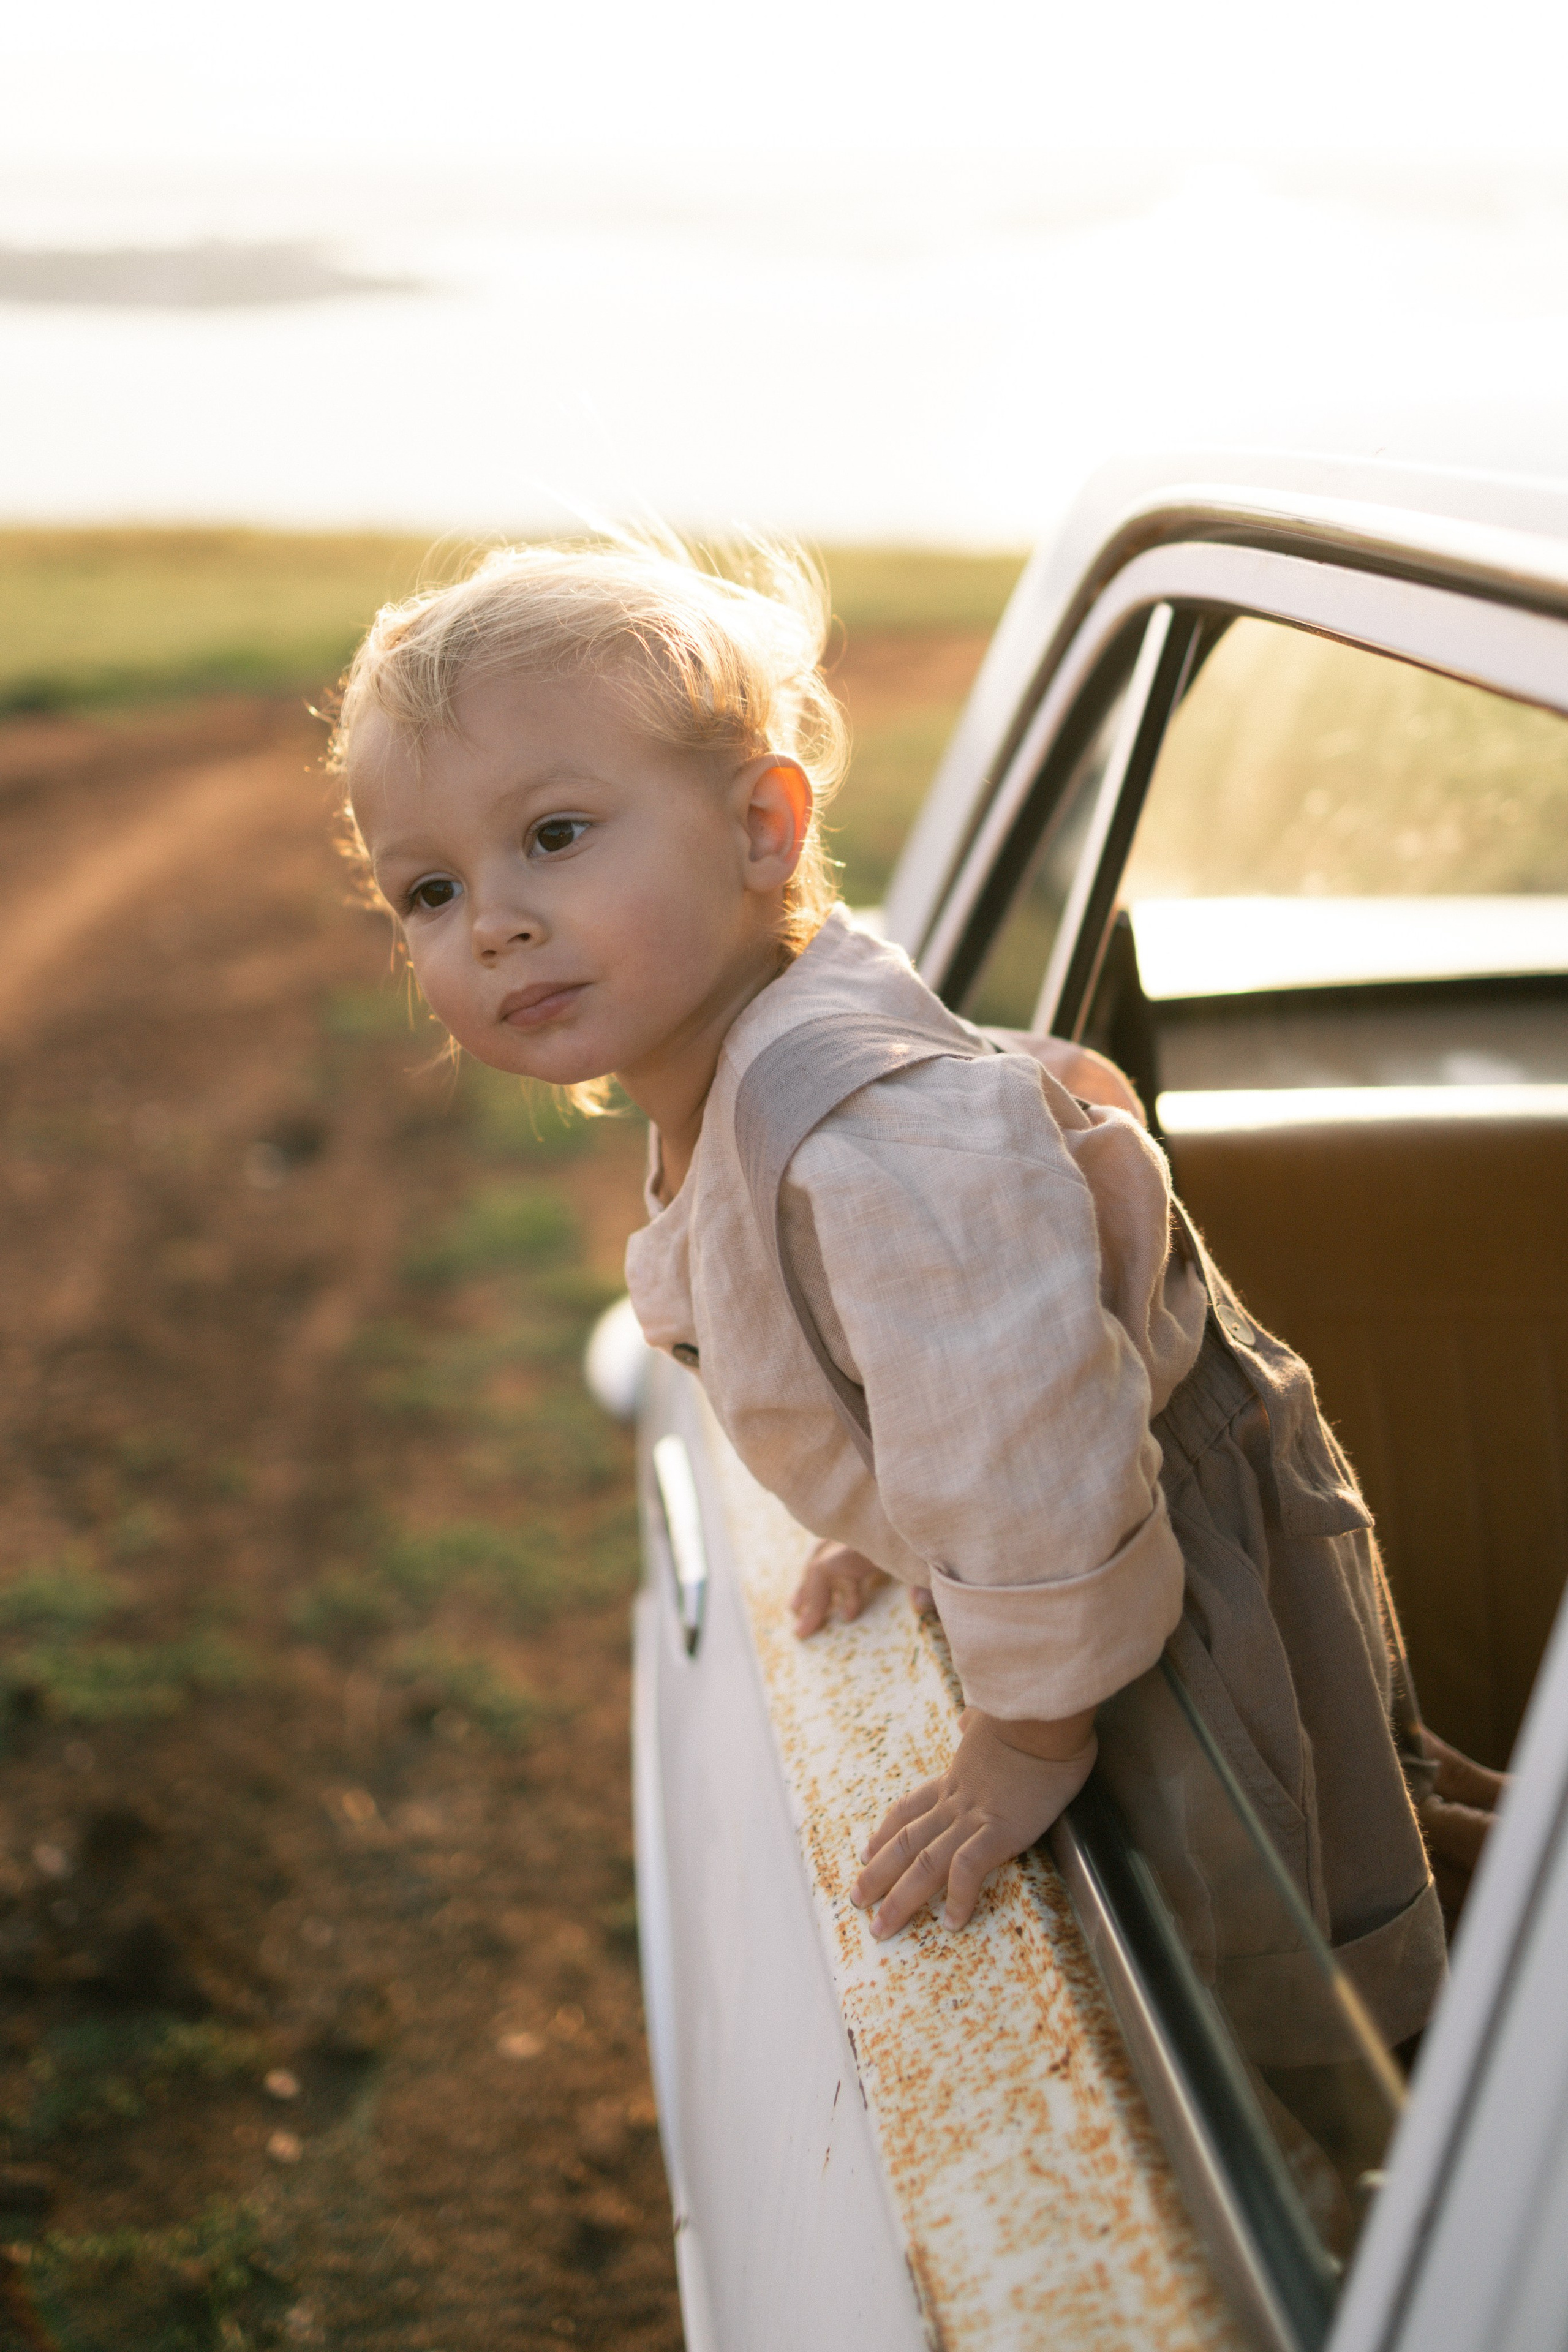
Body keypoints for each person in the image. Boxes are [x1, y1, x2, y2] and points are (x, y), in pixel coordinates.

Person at [333, 535, 1452, 2044]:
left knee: (1278, 1953)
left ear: (760, 828)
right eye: (427, 890)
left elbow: (1026, 1447)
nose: (490, 923)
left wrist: (1025, 1734)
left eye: (554, 835)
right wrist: (884, 1502)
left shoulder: (867, 1137)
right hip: (1058, 1537)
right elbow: (923, 1367)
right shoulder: (741, 1059)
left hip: (1147, 1584)